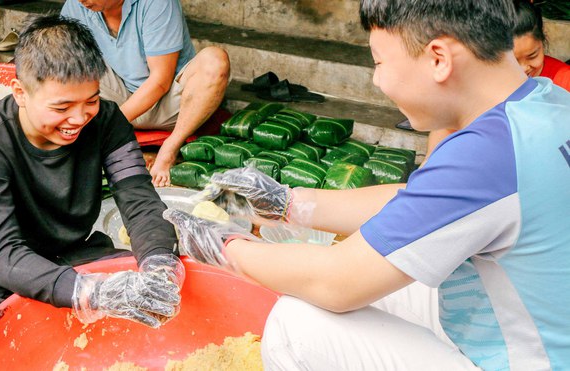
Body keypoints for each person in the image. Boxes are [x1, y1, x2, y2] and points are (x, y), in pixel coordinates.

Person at [163, 0, 570, 369]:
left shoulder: (487, 156)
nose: (377, 82)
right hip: (532, 329)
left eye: (378, 62)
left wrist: (223, 246)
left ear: (439, 58)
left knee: (298, 324)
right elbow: (416, 202)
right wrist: (286, 202)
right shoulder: (542, 104)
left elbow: (336, 280)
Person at [0, 15, 185, 363]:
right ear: (21, 93)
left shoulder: (108, 122)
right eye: (61, 107)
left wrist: (160, 263)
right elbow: (2, 252)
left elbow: (140, 202)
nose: (79, 118)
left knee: (161, 288)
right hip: (6, 266)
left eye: (91, 100)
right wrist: (86, 292)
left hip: (76, 251)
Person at [60, 0, 231, 188]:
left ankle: (169, 148)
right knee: (64, 53)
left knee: (215, 60)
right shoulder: (77, 5)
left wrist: (110, 125)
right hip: (118, 97)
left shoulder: (157, 3)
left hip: (172, 108)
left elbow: (160, 82)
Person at [425, 0, 570, 160]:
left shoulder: (564, 79)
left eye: (532, 56)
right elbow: (447, 128)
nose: (524, 68)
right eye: (514, 60)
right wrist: (428, 163)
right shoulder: (481, 79)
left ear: (543, 42)